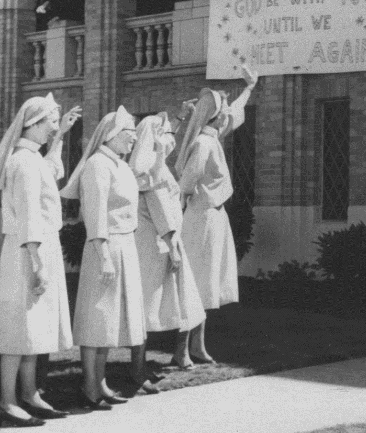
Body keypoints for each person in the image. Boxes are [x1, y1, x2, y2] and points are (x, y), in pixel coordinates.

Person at [0, 96, 81, 426]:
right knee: (19, 327)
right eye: (49, 122)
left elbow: (51, 169)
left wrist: (61, 134)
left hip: (36, 248)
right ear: (32, 123)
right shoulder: (22, 162)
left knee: (34, 329)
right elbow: (30, 214)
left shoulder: (31, 158)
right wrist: (37, 264)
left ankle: (30, 392)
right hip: (26, 252)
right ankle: (7, 400)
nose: (52, 127)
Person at [60, 107, 144, 410]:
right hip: (103, 247)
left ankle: (102, 382)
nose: (133, 140)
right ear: (112, 135)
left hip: (124, 245)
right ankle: (89, 385)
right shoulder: (97, 165)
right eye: (129, 134)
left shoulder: (120, 165)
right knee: (96, 316)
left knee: (110, 319)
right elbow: (94, 213)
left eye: (134, 134)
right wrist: (104, 255)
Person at [174, 65, 258, 362]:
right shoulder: (203, 144)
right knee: (196, 281)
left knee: (207, 282)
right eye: (221, 109)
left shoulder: (212, 137)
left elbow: (234, 114)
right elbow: (185, 184)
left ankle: (197, 346)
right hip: (201, 217)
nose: (225, 114)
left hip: (213, 217)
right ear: (213, 116)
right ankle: (181, 350)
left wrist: (249, 88)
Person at [128, 109, 206, 386]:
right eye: (165, 135)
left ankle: (175, 355)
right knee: (150, 305)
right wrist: (173, 246)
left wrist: (179, 119)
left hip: (159, 243)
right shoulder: (152, 173)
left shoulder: (151, 168)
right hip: (157, 246)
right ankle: (138, 368)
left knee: (177, 301)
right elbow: (162, 213)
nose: (171, 139)